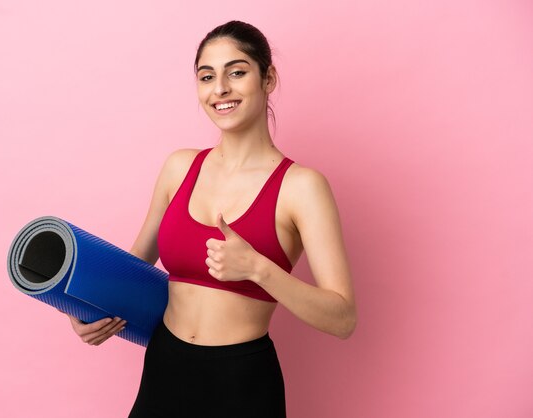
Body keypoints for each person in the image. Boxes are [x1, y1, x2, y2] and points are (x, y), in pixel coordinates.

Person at [66, 20, 356, 418]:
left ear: (268, 78)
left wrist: (258, 268)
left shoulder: (302, 187)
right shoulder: (178, 167)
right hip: (164, 366)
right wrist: (86, 310)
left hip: (242, 381)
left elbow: (342, 318)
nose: (220, 88)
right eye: (207, 77)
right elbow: (132, 266)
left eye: (236, 72)